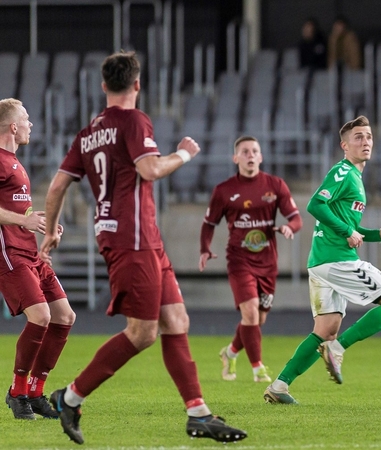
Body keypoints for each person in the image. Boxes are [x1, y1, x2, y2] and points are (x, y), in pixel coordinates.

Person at [38, 51, 246, 445]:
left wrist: (49, 231)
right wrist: (184, 153)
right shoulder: (134, 120)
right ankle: (70, 397)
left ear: (104, 86)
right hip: (132, 239)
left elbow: (57, 185)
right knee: (142, 332)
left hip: (137, 238)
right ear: (137, 84)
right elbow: (150, 169)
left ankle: (198, 413)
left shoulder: (88, 133)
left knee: (176, 320)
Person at [263, 115, 381, 405]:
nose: (365, 141)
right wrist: (347, 231)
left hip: (321, 263)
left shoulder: (355, 177)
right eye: (358, 137)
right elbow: (316, 204)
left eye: (368, 136)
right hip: (336, 260)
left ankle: (279, 386)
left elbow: (349, 226)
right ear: (344, 145)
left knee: (325, 329)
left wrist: (376, 235)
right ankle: (337, 349)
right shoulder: (343, 171)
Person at [199, 135, 302, 383]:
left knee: (257, 318)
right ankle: (258, 369)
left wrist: (289, 228)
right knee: (251, 312)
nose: (250, 155)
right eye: (245, 152)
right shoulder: (224, 190)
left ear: (261, 157)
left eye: (254, 151)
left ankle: (230, 352)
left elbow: (296, 218)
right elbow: (209, 223)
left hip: (267, 262)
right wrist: (205, 248)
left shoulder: (275, 185)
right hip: (239, 260)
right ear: (236, 158)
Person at [0, 98, 75, 420]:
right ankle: (17, 393)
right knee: (41, 316)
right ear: (13, 126)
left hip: (30, 252)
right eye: (26, 119)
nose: (31, 124)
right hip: (9, 253)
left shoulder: (16, 163)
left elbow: (19, 211)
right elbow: (15, 217)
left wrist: (43, 223)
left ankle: (35, 391)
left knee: (64, 316)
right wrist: (24, 221)